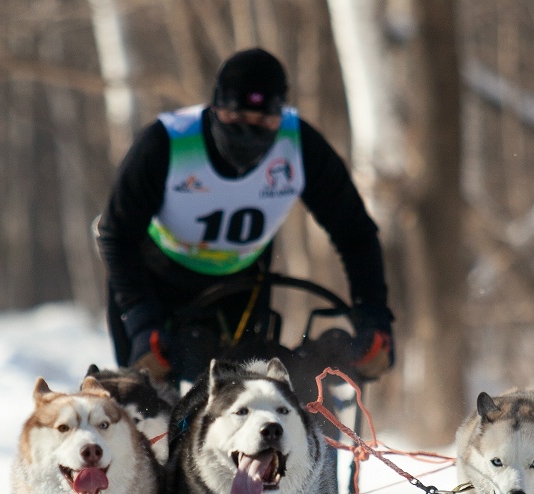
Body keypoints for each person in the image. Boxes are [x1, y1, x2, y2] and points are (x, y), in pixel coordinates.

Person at [96, 48, 394, 386]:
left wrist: (374, 317)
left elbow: (355, 234)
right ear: (214, 108)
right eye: (236, 119)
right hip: (154, 282)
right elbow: (116, 236)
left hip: (241, 287)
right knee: (150, 401)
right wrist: (141, 320)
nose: (249, 133)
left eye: (264, 122)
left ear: (280, 114)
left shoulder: (300, 146)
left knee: (249, 393)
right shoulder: (167, 142)